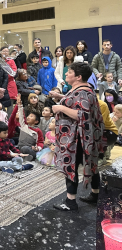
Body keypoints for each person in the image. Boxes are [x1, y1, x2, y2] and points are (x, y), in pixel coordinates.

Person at [52, 62, 106, 211]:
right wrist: (61, 96)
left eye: (69, 72)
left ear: (78, 77)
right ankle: (96, 195)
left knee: (72, 166)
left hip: (77, 138)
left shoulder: (82, 92)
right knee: (91, 165)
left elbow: (82, 114)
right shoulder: (84, 90)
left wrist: (60, 107)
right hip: (84, 137)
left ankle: (70, 202)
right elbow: (78, 103)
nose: (66, 74)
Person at [16, 93, 44, 161]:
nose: (28, 117)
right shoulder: (23, 126)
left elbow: (40, 142)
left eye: (31, 116)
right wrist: (19, 105)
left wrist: (37, 148)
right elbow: (21, 116)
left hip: (29, 148)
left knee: (25, 149)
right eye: (28, 116)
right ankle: (25, 156)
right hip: (20, 147)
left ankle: (31, 156)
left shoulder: (37, 130)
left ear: (36, 121)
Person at [97, 99, 118, 166]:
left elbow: (99, 123)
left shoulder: (101, 104)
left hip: (109, 132)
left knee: (95, 134)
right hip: (101, 130)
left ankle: (101, 157)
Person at [0, 47, 18, 116]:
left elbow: (13, 72)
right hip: (0, 84)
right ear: (0, 52)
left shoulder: (11, 61)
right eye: (4, 51)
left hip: (10, 84)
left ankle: (10, 121)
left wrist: (4, 75)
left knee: (10, 104)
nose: (6, 53)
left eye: (7, 51)